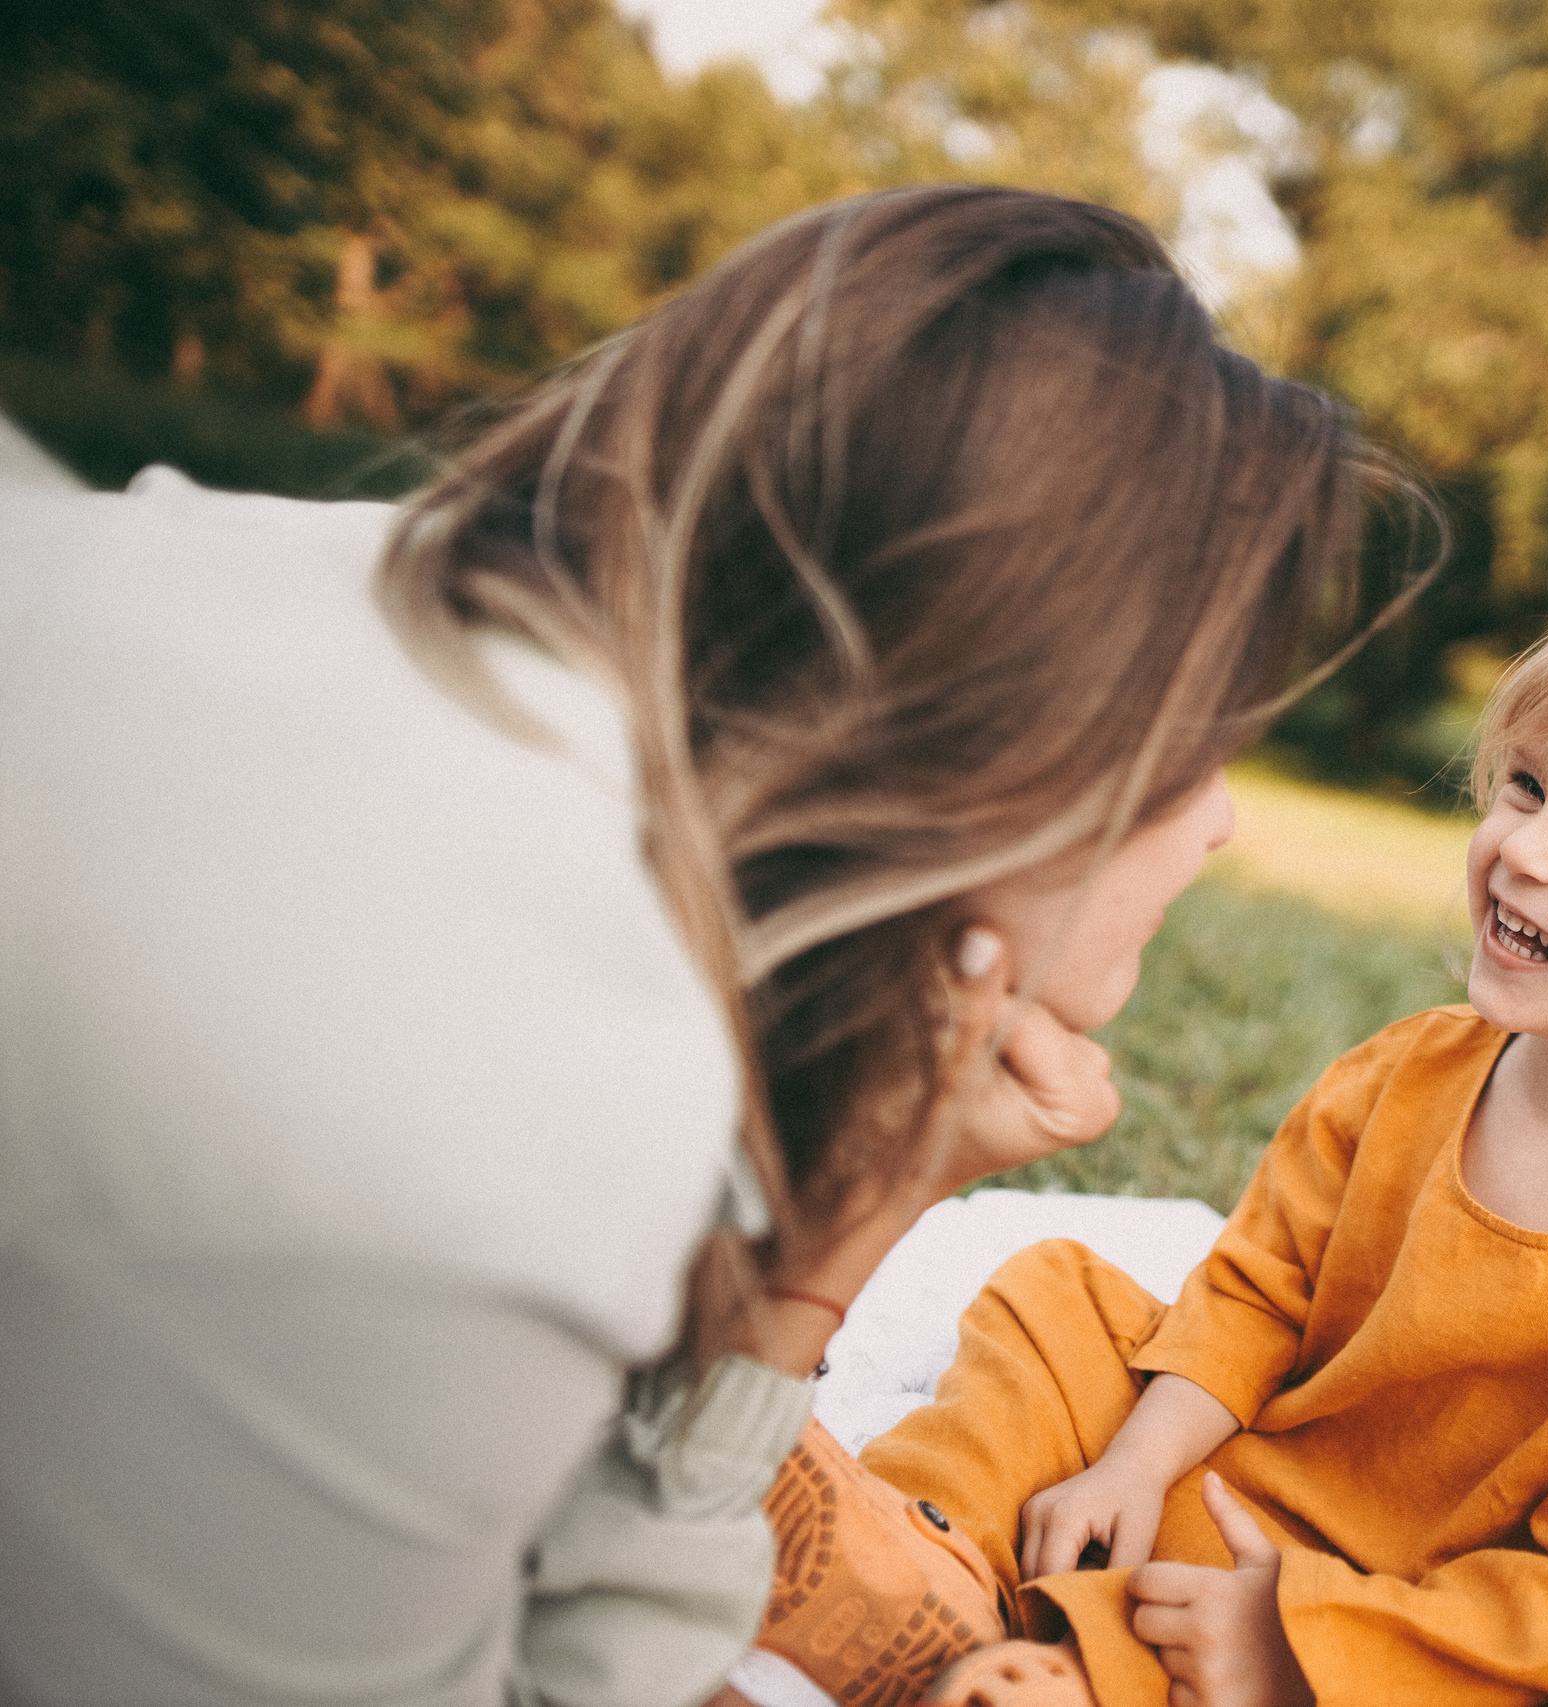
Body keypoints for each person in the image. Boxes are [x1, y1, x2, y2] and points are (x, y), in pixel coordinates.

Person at [0, 185, 1420, 1707]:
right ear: (1021, 734)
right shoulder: (517, 1111)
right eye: (1202, 739)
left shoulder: (276, 556)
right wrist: (808, 1274)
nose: (1216, 824)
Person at [744, 553, 1548, 1707]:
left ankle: (1076, 1671)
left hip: (1466, 1632)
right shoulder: (1414, 1074)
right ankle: (922, 1551)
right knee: (1058, 1304)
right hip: (1277, 1488)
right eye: (1527, 785)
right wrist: (1137, 1461)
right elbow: (1256, 1288)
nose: (1523, 849)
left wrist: (1303, 1646)